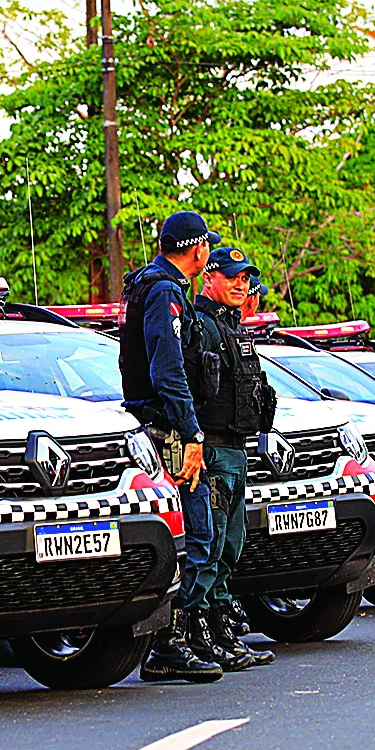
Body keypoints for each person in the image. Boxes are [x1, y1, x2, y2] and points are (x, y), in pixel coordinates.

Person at [119, 210, 223, 684]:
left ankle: (177, 638)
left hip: (159, 425)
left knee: (190, 536)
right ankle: (167, 644)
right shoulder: (164, 291)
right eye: (208, 248)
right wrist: (192, 434)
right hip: (168, 429)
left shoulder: (152, 284)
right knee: (195, 535)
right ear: (198, 250)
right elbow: (168, 372)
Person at [191, 246, 278, 671]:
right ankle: (201, 634)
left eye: (246, 279)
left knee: (231, 545)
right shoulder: (202, 326)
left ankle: (222, 630)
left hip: (236, 448)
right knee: (211, 545)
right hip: (212, 448)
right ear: (209, 277)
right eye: (232, 277)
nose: (241, 285)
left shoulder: (231, 325)